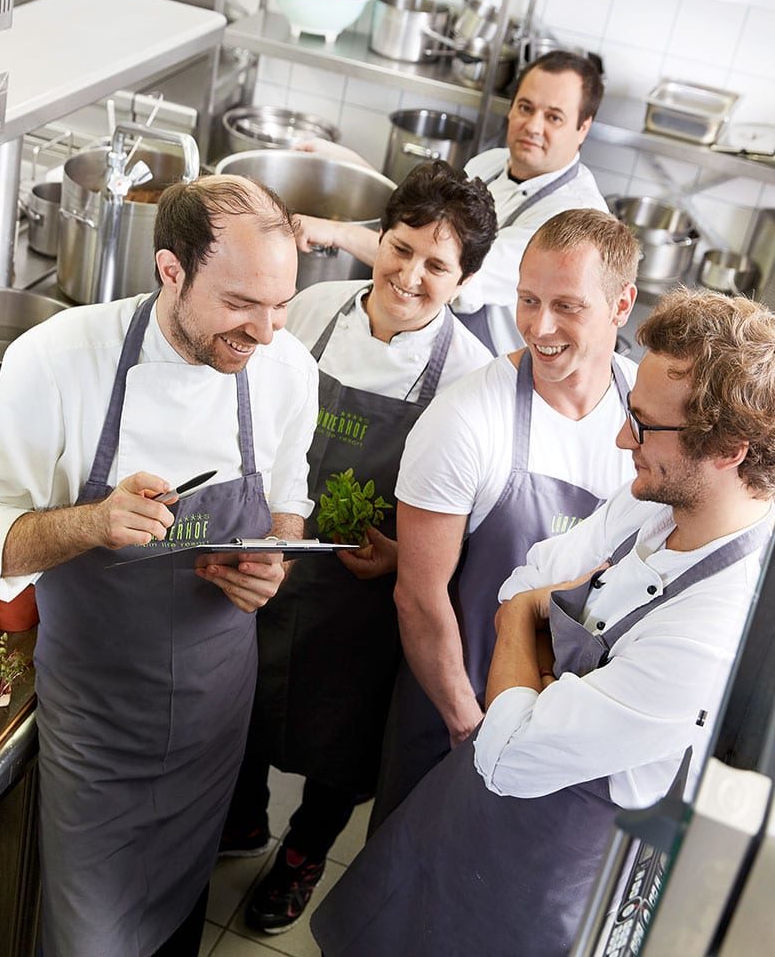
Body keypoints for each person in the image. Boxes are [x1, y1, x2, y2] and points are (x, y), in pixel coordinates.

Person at [311, 288, 775, 955]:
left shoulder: (710, 633)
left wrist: (526, 620)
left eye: (644, 426)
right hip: (465, 821)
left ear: (729, 449)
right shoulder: (656, 502)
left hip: (542, 879)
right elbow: (524, 579)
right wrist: (527, 625)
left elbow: (508, 755)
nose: (622, 439)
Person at [0, 174, 319, 957]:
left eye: (281, 306)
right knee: (93, 938)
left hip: (218, 713)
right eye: (241, 305)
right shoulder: (59, 358)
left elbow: (289, 494)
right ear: (170, 270)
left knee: (179, 914)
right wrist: (91, 522)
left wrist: (272, 559)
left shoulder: (286, 371)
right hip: (101, 724)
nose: (266, 332)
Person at [220, 161, 498, 934]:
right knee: (236, 696)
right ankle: (240, 821)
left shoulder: (470, 380)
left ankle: (305, 852)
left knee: (345, 738)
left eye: (437, 265)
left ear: (464, 278)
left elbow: (467, 522)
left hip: (366, 597)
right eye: (401, 247)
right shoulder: (311, 310)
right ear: (380, 238)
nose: (410, 275)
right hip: (269, 554)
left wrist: (405, 559)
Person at [373, 208, 638, 830]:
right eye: (527, 299)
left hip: (576, 733)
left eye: (567, 307)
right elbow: (419, 596)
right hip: (457, 709)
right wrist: (471, 727)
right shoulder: (466, 419)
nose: (539, 326)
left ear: (621, 305)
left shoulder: (645, 414)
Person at [296, 50, 607, 356]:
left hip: (488, 364)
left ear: (583, 128)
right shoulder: (491, 163)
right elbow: (427, 224)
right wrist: (352, 167)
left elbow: (449, 274)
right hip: (429, 338)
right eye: (525, 108)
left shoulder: (574, 220)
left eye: (554, 117)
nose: (533, 126)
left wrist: (335, 231)